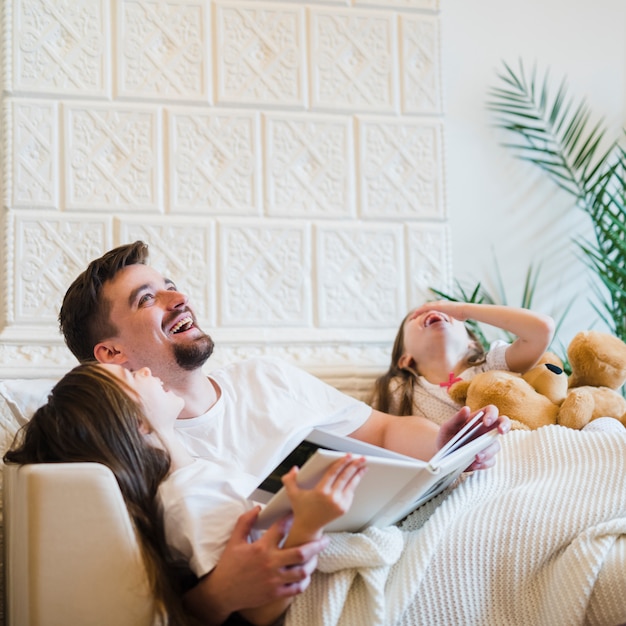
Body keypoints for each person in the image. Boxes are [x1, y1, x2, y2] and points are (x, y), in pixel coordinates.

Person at [57, 241, 510, 624]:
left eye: (170, 287)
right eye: (146, 299)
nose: (178, 300)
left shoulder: (265, 377)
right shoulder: (134, 453)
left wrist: (449, 443)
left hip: (417, 513)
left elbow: (387, 431)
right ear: (112, 352)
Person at [3, 362, 367, 626]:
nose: (144, 371)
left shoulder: (194, 475)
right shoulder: (188, 497)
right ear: (137, 422)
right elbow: (258, 610)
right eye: (132, 375)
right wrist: (309, 522)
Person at [370, 300, 555, 424]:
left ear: (471, 343)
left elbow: (542, 329)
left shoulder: (491, 365)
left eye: (444, 309)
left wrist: (462, 310)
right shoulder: (398, 391)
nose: (434, 311)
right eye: (416, 315)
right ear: (405, 358)